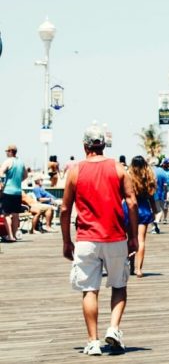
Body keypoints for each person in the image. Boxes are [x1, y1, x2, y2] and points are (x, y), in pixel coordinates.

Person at [60, 125, 138, 356]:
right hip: (115, 236)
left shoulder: (75, 171)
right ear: (103, 145)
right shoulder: (118, 168)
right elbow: (132, 202)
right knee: (119, 285)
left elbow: (65, 208)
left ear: (85, 146)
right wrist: (134, 236)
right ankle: (113, 328)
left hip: (86, 239)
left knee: (89, 290)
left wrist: (66, 241)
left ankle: (93, 341)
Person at [123, 156, 157, 278]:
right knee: (141, 239)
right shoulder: (148, 177)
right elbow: (152, 196)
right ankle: (139, 269)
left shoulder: (127, 176)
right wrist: (154, 210)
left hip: (128, 208)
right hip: (143, 209)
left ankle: (131, 266)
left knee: (130, 238)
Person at [0, 144, 27, 242]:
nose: (6, 153)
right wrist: (17, 181)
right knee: (16, 214)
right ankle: (14, 236)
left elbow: (1, 173)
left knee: (6, 214)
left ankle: (10, 236)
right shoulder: (21, 162)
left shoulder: (8, 161)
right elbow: (25, 176)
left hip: (8, 191)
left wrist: (1, 183)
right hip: (18, 191)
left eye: (7, 151)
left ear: (11, 151)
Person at [151, 158, 169, 234]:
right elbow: (165, 185)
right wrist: (166, 195)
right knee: (160, 211)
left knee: (153, 211)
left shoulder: (152, 172)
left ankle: (154, 228)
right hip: (160, 195)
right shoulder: (163, 173)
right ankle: (156, 222)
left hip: (152, 195)